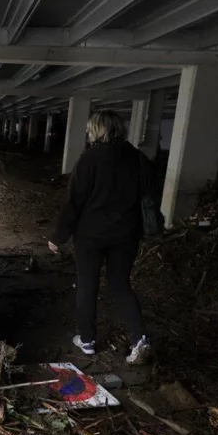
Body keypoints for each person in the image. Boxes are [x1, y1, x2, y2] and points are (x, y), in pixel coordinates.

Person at [48, 110, 152, 365]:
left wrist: (58, 236)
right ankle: (140, 339)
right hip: (126, 235)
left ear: (99, 130)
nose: (86, 132)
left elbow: (74, 201)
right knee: (120, 284)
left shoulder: (90, 159)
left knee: (87, 285)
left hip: (90, 236)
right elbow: (148, 195)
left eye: (89, 128)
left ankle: (88, 341)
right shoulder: (138, 159)